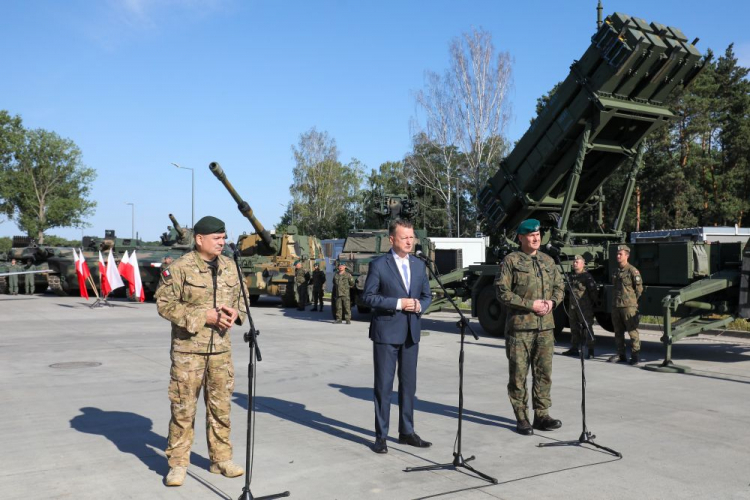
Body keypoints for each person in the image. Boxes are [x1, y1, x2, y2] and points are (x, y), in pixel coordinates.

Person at [155, 216, 247, 487]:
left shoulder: (230, 267)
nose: (222, 242)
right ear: (199, 239)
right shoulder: (180, 268)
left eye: (223, 238)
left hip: (221, 351)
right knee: (183, 409)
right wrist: (202, 315)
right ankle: (178, 464)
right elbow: (164, 304)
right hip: (188, 352)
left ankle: (221, 459)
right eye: (217, 238)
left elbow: (243, 298)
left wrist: (236, 313)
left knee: (220, 408)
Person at [362, 219, 432, 454]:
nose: (410, 241)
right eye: (405, 237)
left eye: (412, 237)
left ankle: (406, 432)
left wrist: (420, 306)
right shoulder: (379, 265)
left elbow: (426, 295)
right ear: (392, 240)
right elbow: (368, 298)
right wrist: (399, 303)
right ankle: (381, 436)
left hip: (411, 332)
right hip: (386, 333)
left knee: (408, 386)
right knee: (383, 386)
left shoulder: (419, 265)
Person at [495, 218, 564, 436]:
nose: (536, 238)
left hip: (545, 327)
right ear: (521, 238)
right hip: (520, 328)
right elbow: (502, 292)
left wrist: (552, 302)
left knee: (544, 373)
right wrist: (529, 305)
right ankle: (522, 417)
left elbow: (559, 286)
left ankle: (542, 415)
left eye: (538, 234)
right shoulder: (511, 261)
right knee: (518, 375)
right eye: (531, 235)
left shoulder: (548, 260)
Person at [609, 245, 643, 365]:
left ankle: (635, 355)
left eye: (620, 254)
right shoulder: (615, 271)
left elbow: (639, 289)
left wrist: (633, 302)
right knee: (618, 332)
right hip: (616, 305)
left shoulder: (632, 271)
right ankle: (621, 354)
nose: (618, 256)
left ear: (627, 256)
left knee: (632, 331)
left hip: (628, 306)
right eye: (617, 254)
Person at [562, 255, 599, 359]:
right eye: (574, 262)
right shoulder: (571, 277)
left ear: (582, 264)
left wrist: (590, 305)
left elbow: (593, 292)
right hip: (573, 306)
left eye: (577, 262)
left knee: (587, 327)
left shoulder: (587, 277)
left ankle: (590, 350)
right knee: (574, 327)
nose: (574, 263)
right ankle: (574, 348)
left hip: (584, 307)